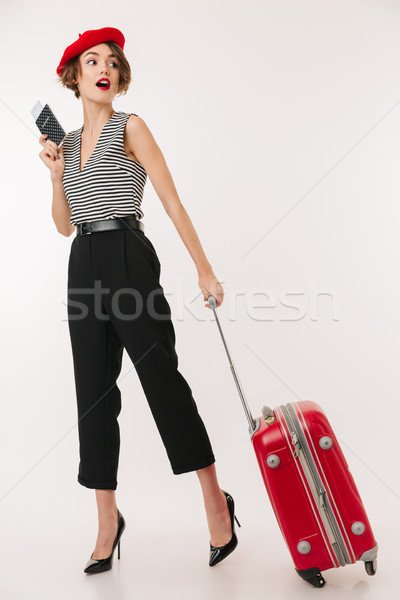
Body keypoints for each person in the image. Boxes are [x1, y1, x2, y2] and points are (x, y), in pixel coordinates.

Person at [38, 27, 241, 574]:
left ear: (118, 77)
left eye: (111, 62)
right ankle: (108, 521)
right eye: (91, 61)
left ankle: (216, 502)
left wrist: (204, 268)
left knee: (161, 380)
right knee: (94, 395)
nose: (103, 68)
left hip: (128, 254)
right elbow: (63, 226)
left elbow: (171, 201)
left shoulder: (132, 127)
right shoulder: (69, 142)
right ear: (75, 77)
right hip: (82, 263)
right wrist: (57, 176)